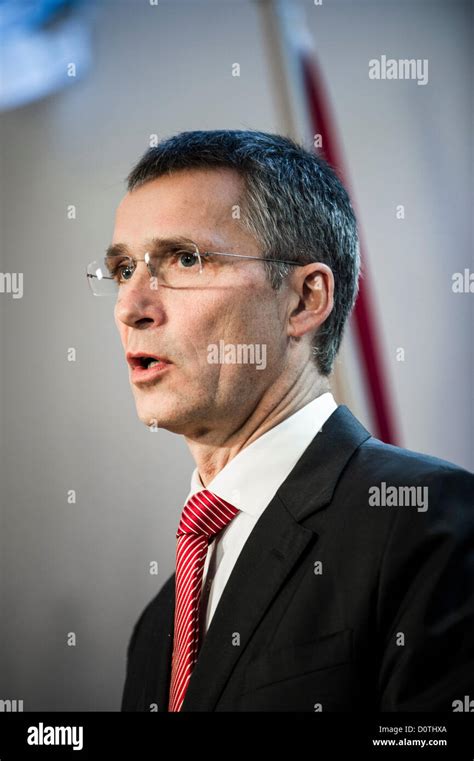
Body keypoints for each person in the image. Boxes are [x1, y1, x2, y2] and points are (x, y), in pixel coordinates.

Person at [88, 130, 473, 712]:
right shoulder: (155, 629)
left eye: (185, 259)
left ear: (303, 300)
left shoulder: (427, 519)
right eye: (122, 270)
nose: (130, 307)